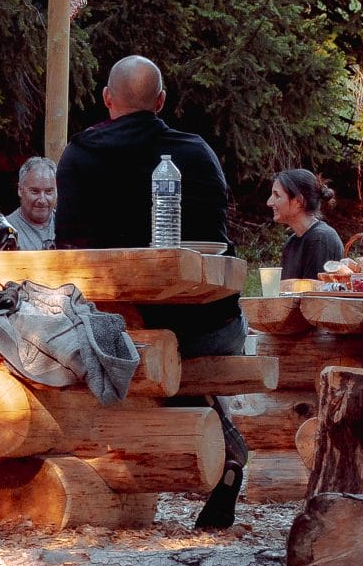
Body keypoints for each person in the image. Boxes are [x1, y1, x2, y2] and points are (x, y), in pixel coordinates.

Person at [54, 56, 245, 356]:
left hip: (111, 328)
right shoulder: (197, 152)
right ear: (160, 101)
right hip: (206, 328)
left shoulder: (78, 155)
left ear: (106, 97)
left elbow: (66, 250)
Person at [269, 168, 344, 281]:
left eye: (277, 195)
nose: (269, 202)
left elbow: (314, 295)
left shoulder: (321, 239)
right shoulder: (291, 243)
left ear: (298, 201)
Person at [5, 156, 58, 250]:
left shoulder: (67, 226)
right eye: (35, 191)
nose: (42, 200)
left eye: (49, 191)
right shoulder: (5, 232)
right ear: (20, 190)